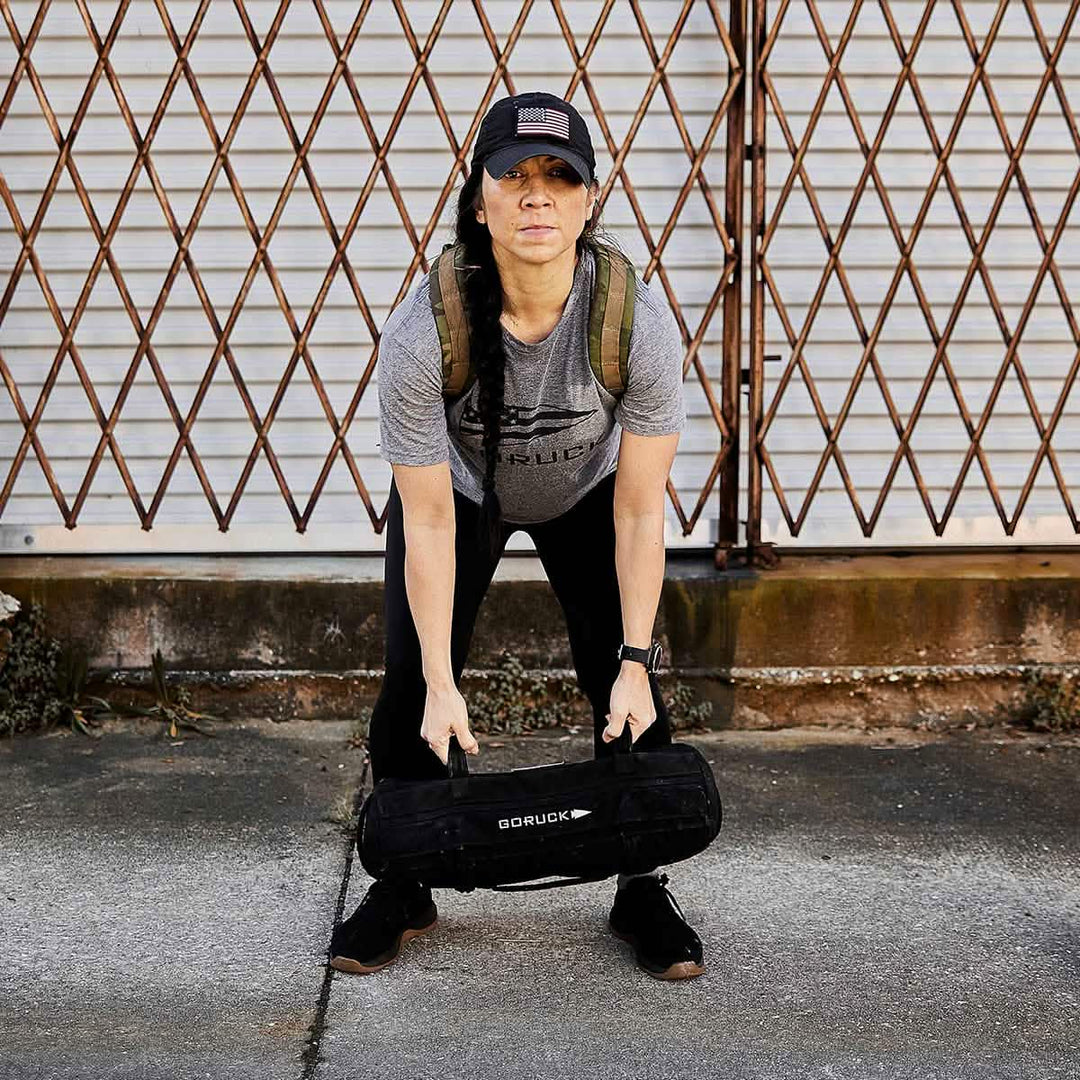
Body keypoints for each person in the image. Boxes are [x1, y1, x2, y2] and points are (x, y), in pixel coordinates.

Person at [329, 91, 704, 981]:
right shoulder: (426, 332)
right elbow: (423, 515)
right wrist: (441, 682)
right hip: (462, 497)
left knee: (626, 677)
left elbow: (643, 506)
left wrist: (639, 659)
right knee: (409, 688)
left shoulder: (634, 325)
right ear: (479, 200)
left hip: (589, 494)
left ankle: (641, 882)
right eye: (515, 175)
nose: (537, 197)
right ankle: (404, 880)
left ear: (586, 200)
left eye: (559, 177)